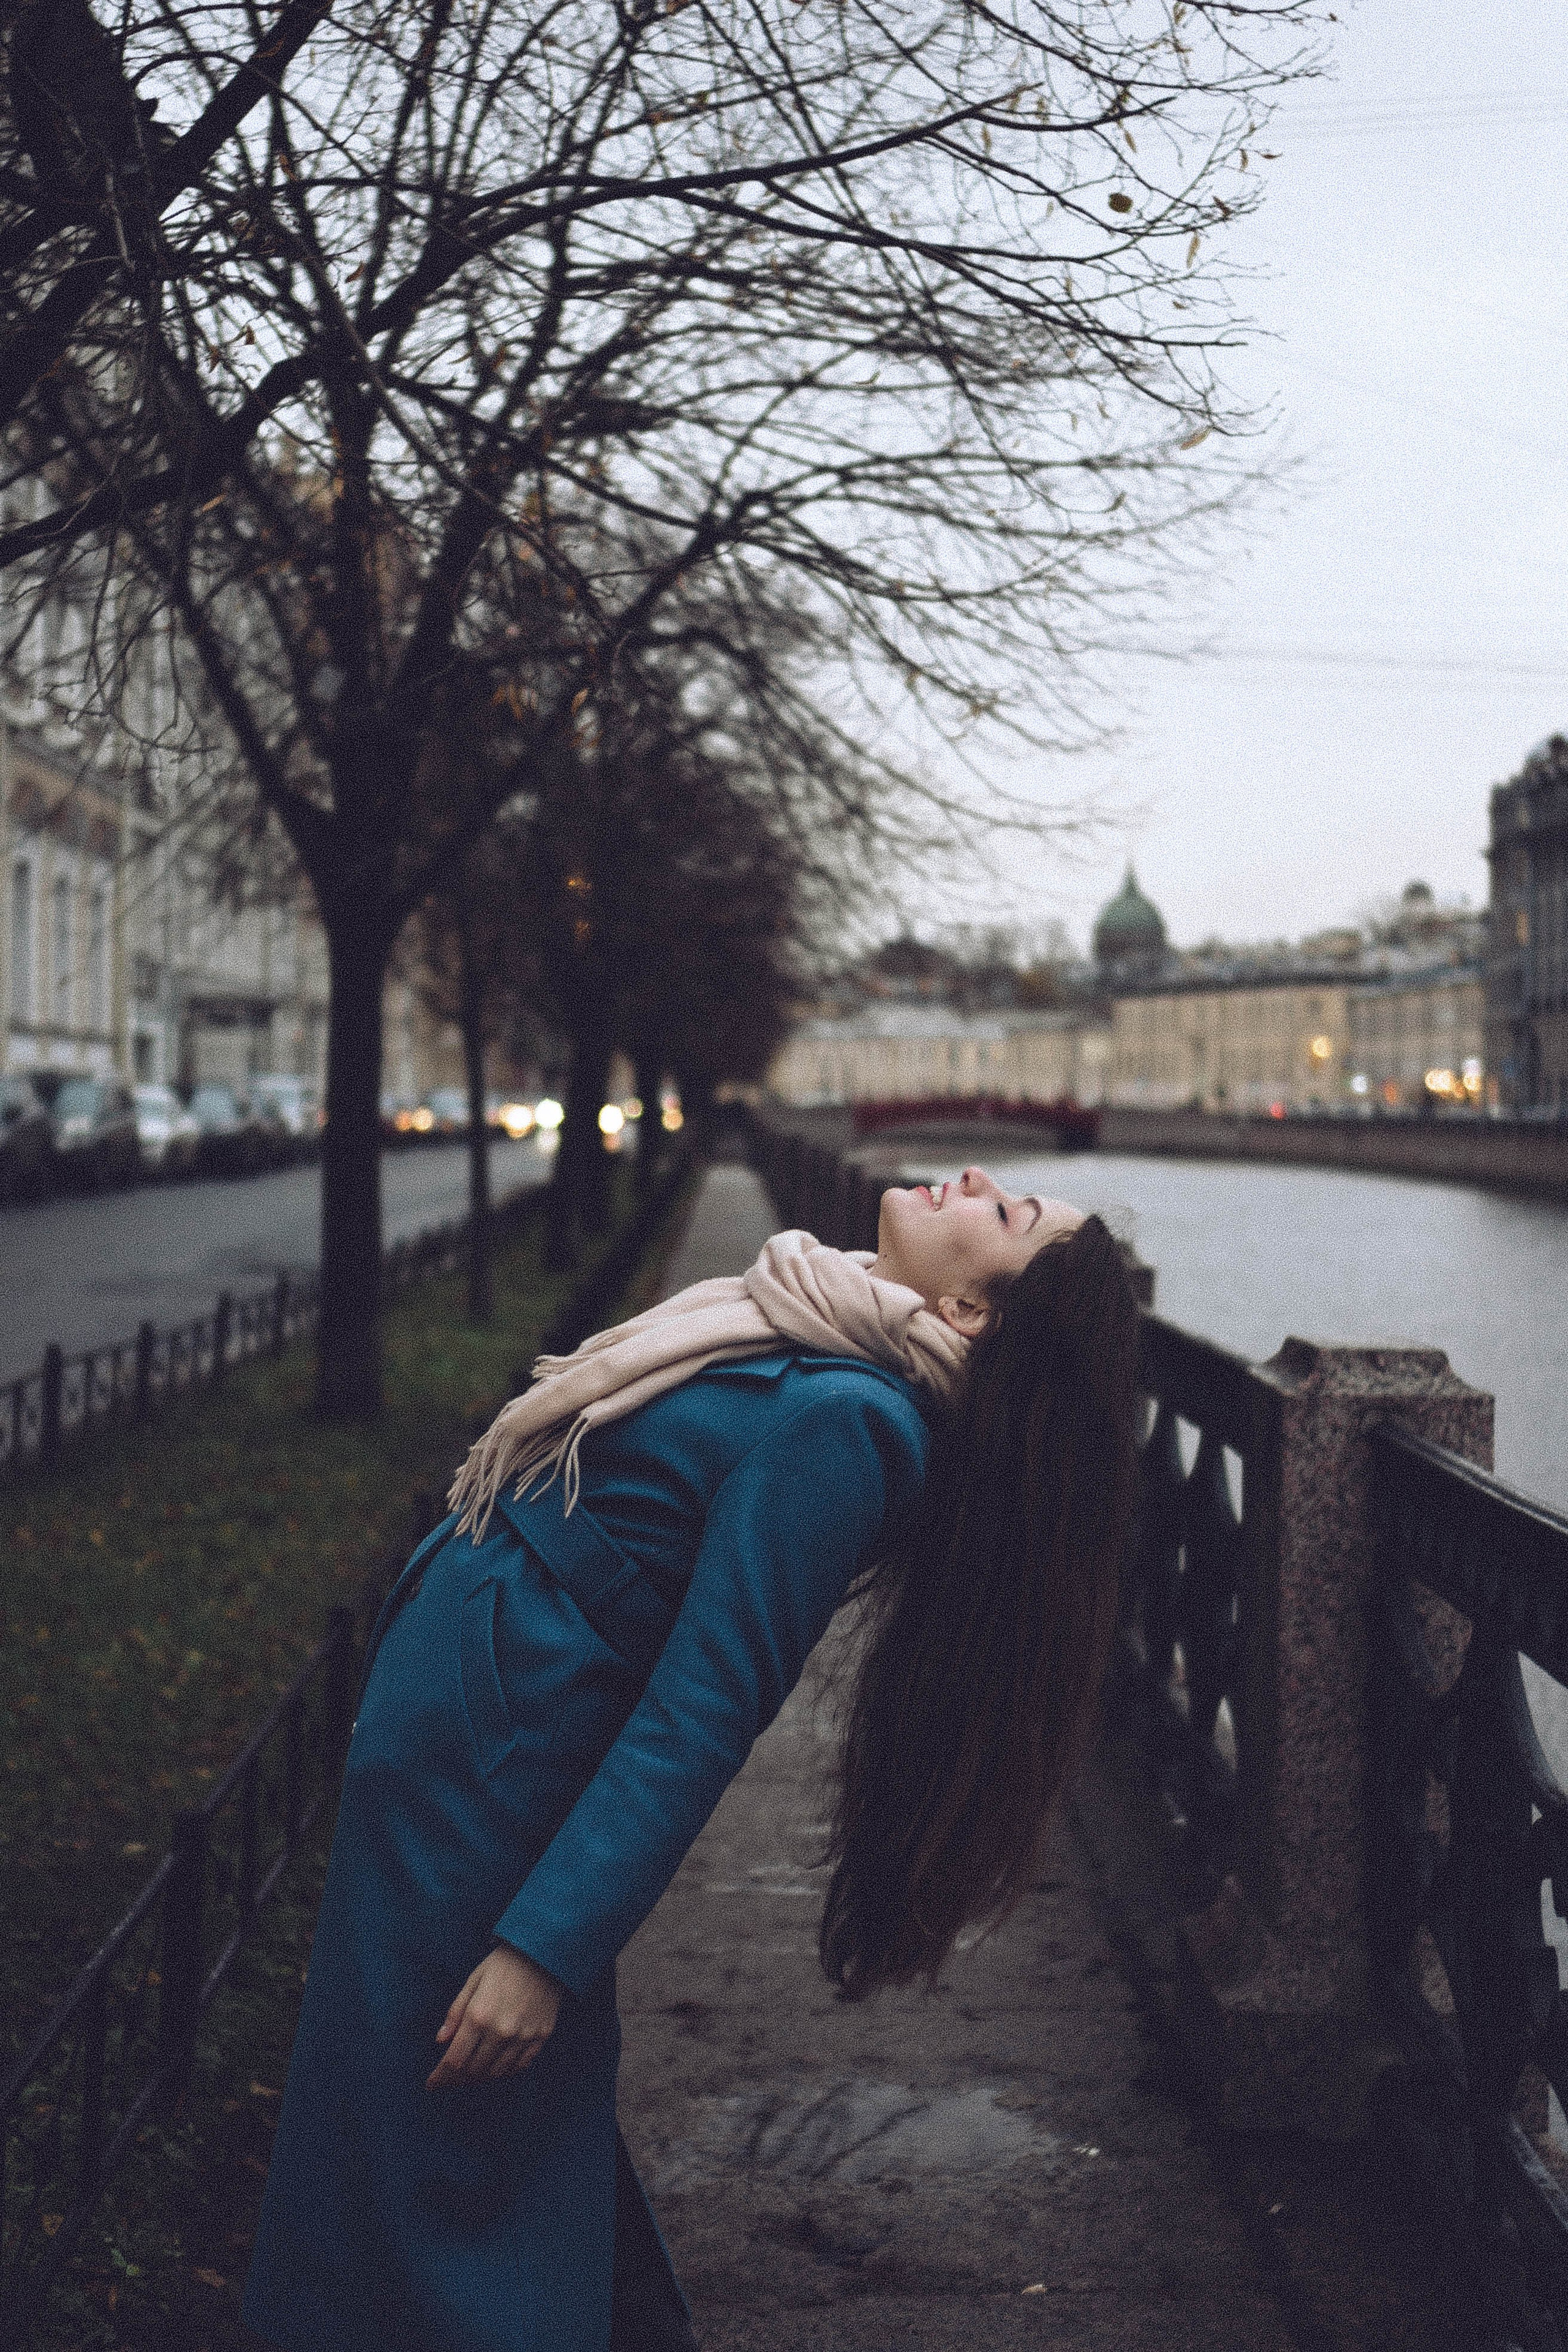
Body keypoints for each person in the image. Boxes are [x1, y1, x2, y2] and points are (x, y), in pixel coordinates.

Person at [243, 1166, 1140, 2352]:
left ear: (971, 1312)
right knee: (442, 2138)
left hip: (496, 1785)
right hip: (466, 1754)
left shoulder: (851, 1422)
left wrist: (545, 1952)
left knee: (430, 2153)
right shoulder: (816, 1330)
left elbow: (706, 1708)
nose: (978, 1179)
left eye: (1007, 1216)